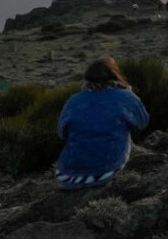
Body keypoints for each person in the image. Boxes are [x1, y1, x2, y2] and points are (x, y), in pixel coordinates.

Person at [55, 58, 148, 190]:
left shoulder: (74, 100)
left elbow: (62, 133)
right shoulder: (127, 97)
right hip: (108, 168)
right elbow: (142, 123)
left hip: (68, 174)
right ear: (115, 75)